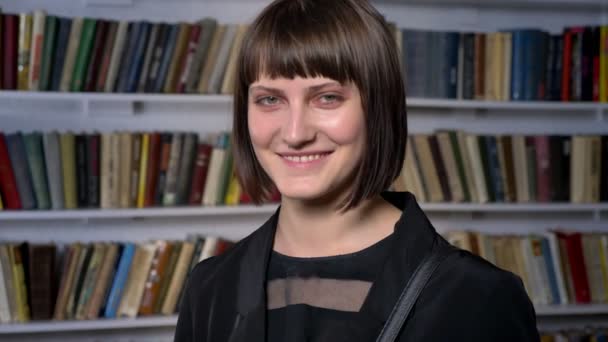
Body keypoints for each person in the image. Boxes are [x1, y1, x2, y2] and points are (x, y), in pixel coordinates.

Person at [174, 0, 540, 341]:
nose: (295, 133)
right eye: (270, 99)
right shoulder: (208, 287)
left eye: (327, 97)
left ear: (378, 107)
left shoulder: (478, 297)